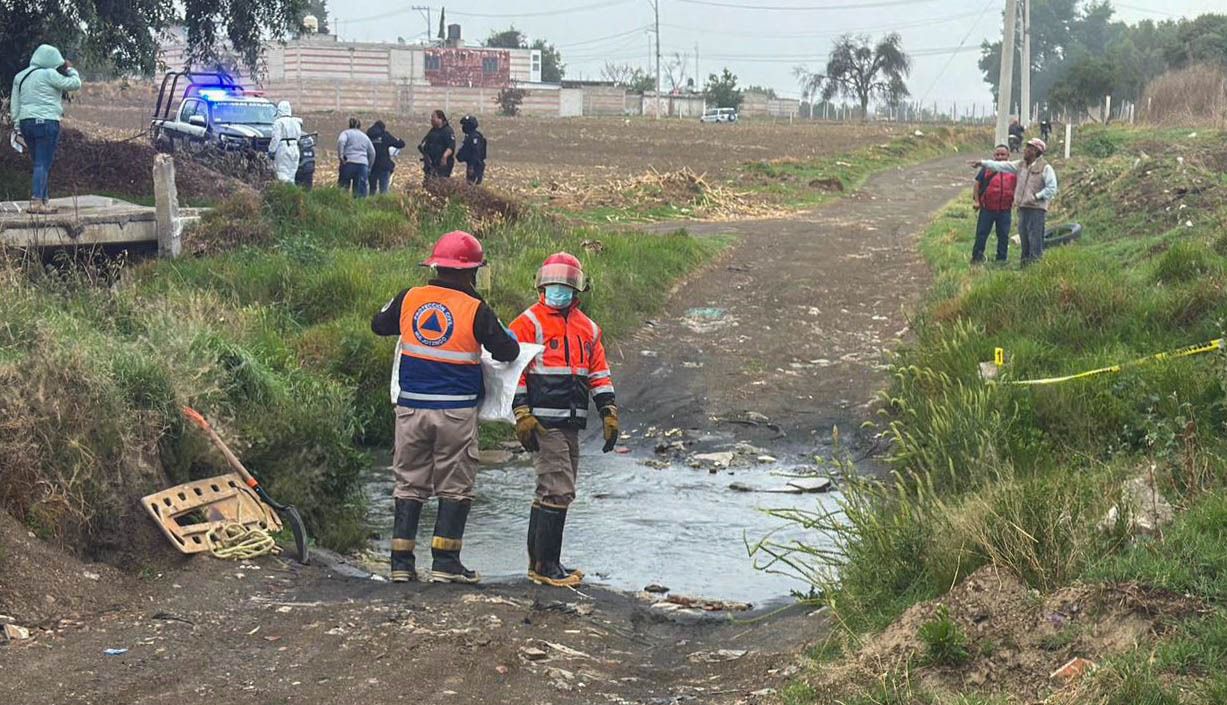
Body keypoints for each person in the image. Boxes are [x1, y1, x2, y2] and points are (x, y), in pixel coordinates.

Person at [370, 231, 520, 584]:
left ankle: (401, 564)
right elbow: (508, 351)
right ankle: (445, 562)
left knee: (409, 483)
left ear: (435, 265)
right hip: (455, 413)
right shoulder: (476, 309)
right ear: (472, 272)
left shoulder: (409, 297)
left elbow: (379, 325)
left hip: (410, 410)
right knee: (454, 486)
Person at [509, 253, 620, 588]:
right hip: (543, 422)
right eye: (553, 284)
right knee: (558, 489)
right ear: (541, 285)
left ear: (578, 289)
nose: (558, 290)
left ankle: (541, 563)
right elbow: (514, 372)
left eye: (565, 284)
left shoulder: (589, 329)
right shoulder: (527, 323)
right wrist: (522, 412)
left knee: (553, 489)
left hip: (571, 421)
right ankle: (547, 567)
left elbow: (598, 373)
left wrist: (608, 410)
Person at [9, 44, 82, 214]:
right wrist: (70, 69)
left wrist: (17, 126)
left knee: (39, 162)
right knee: (43, 162)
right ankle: (36, 201)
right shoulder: (49, 74)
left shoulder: (21, 76)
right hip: (47, 122)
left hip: (26, 123)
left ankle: (44, 201)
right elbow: (75, 84)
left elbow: (15, 104)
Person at [972, 138, 1058, 266]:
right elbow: (1001, 166)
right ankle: (1025, 266)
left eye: (1028, 148)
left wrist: (1036, 197)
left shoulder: (1045, 168)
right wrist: (982, 163)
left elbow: (1052, 188)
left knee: (1035, 239)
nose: (1025, 150)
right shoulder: (1021, 165)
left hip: (1036, 209)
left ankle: (1035, 267)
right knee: (1024, 239)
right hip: (1022, 208)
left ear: (1035, 151)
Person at [971, 144, 1017, 264]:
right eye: (997, 154)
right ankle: (977, 258)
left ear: (1008, 155)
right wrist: (977, 201)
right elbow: (977, 184)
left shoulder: (1013, 170)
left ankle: (1001, 259)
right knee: (982, 234)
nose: (1000, 157)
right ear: (994, 156)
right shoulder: (987, 169)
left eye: (1003, 154)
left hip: (1005, 209)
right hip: (987, 208)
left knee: (1003, 235)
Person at [337, 117, 375, 198]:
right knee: (360, 192)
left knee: (343, 189)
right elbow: (372, 153)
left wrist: (341, 156)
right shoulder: (365, 136)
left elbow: (341, 141)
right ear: (359, 126)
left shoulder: (346, 133)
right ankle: (359, 204)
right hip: (362, 165)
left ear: (349, 125)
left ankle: (342, 203)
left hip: (348, 163)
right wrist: (369, 166)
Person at [366, 120, 406, 195]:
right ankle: (383, 201)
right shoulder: (385, 135)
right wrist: (399, 139)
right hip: (384, 166)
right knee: (384, 190)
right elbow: (400, 144)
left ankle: (371, 201)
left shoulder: (368, 136)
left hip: (372, 165)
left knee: (372, 189)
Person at [268, 101, 302, 184]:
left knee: (282, 172)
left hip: (283, 148)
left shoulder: (279, 122)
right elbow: (298, 136)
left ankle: (285, 190)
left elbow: (276, 138)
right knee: (292, 173)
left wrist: (271, 150)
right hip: (295, 148)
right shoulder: (296, 122)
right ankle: (292, 190)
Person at [418, 109, 455, 180]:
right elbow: (424, 143)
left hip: (442, 164)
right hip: (431, 163)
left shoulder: (447, 131)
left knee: (440, 181)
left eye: (433, 117)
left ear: (440, 119)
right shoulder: (433, 131)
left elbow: (451, 146)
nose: (431, 119)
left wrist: (444, 157)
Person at [456, 114, 487, 185]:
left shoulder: (475, 137)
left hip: (476, 165)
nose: (463, 127)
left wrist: (471, 166)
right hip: (471, 164)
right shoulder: (470, 136)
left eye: (465, 125)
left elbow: (475, 153)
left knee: (472, 184)